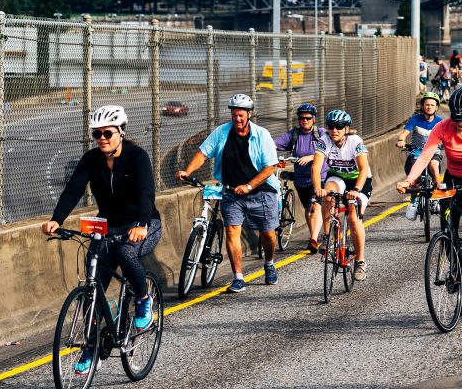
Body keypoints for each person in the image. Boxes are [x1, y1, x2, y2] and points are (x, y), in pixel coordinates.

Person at [44, 105, 161, 372]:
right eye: (96, 134)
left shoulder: (137, 156)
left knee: (126, 253)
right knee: (92, 286)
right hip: (108, 226)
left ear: (121, 132)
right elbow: (73, 190)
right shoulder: (91, 159)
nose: (102, 139)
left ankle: (143, 300)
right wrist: (56, 220)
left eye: (107, 133)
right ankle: (92, 347)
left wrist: (142, 224)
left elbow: (146, 192)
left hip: (143, 223)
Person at [178, 94, 280, 293]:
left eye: (241, 115)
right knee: (232, 230)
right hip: (232, 192)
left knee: (268, 234)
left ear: (249, 114)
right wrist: (187, 171)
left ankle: (269, 263)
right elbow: (203, 154)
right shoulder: (221, 133)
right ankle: (238, 278)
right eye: (234, 115)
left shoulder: (262, 135)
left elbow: (270, 167)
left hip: (261, 191)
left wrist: (249, 186)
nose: (237, 119)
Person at [396, 86, 462, 282]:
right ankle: (457, 266)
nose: (459, 124)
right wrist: (409, 180)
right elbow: (425, 156)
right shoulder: (442, 127)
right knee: (447, 221)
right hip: (454, 178)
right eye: (456, 119)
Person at [314, 109, 373, 281]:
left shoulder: (355, 141)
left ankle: (360, 261)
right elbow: (316, 167)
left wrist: (356, 190)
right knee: (327, 195)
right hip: (337, 177)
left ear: (346, 128)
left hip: (359, 181)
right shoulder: (324, 140)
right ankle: (329, 238)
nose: (334, 130)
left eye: (339, 127)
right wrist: (318, 188)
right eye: (331, 127)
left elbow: (363, 168)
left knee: (353, 218)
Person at [274, 102, 328, 253]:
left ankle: (313, 240)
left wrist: (311, 157)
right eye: (302, 118)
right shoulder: (294, 134)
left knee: (316, 205)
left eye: (308, 118)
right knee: (308, 207)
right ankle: (313, 236)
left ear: (314, 119)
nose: (305, 121)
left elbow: (330, 149)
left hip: (319, 177)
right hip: (300, 179)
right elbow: (275, 143)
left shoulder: (321, 133)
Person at [398, 92, 444, 221]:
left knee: (434, 165)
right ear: (422, 106)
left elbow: (447, 136)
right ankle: (413, 202)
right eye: (427, 104)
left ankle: (437, 196)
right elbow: (404, 133)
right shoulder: (415, 119)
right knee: (414, 173)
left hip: (433, 152)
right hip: (416, 152)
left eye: (432, 105)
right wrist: (401, 140)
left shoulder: (441, 122)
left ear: (436, 107)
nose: (429, 107)